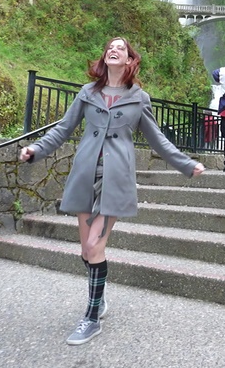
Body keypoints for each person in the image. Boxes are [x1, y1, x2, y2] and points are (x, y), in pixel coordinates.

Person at [19, 37, 205, 346]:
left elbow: (157, 139)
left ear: (130, 58)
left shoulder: (139, 98)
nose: (113, 49)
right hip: (84, 173)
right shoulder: (88, 92)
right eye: (110, 47)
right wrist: (36, 149)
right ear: (104, 57)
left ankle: (91, 318)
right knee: (86, 251)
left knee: (94, 246)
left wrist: (186, 164)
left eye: (120, 47)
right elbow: (64, 128)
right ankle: (99, 297)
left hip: (115, 178)